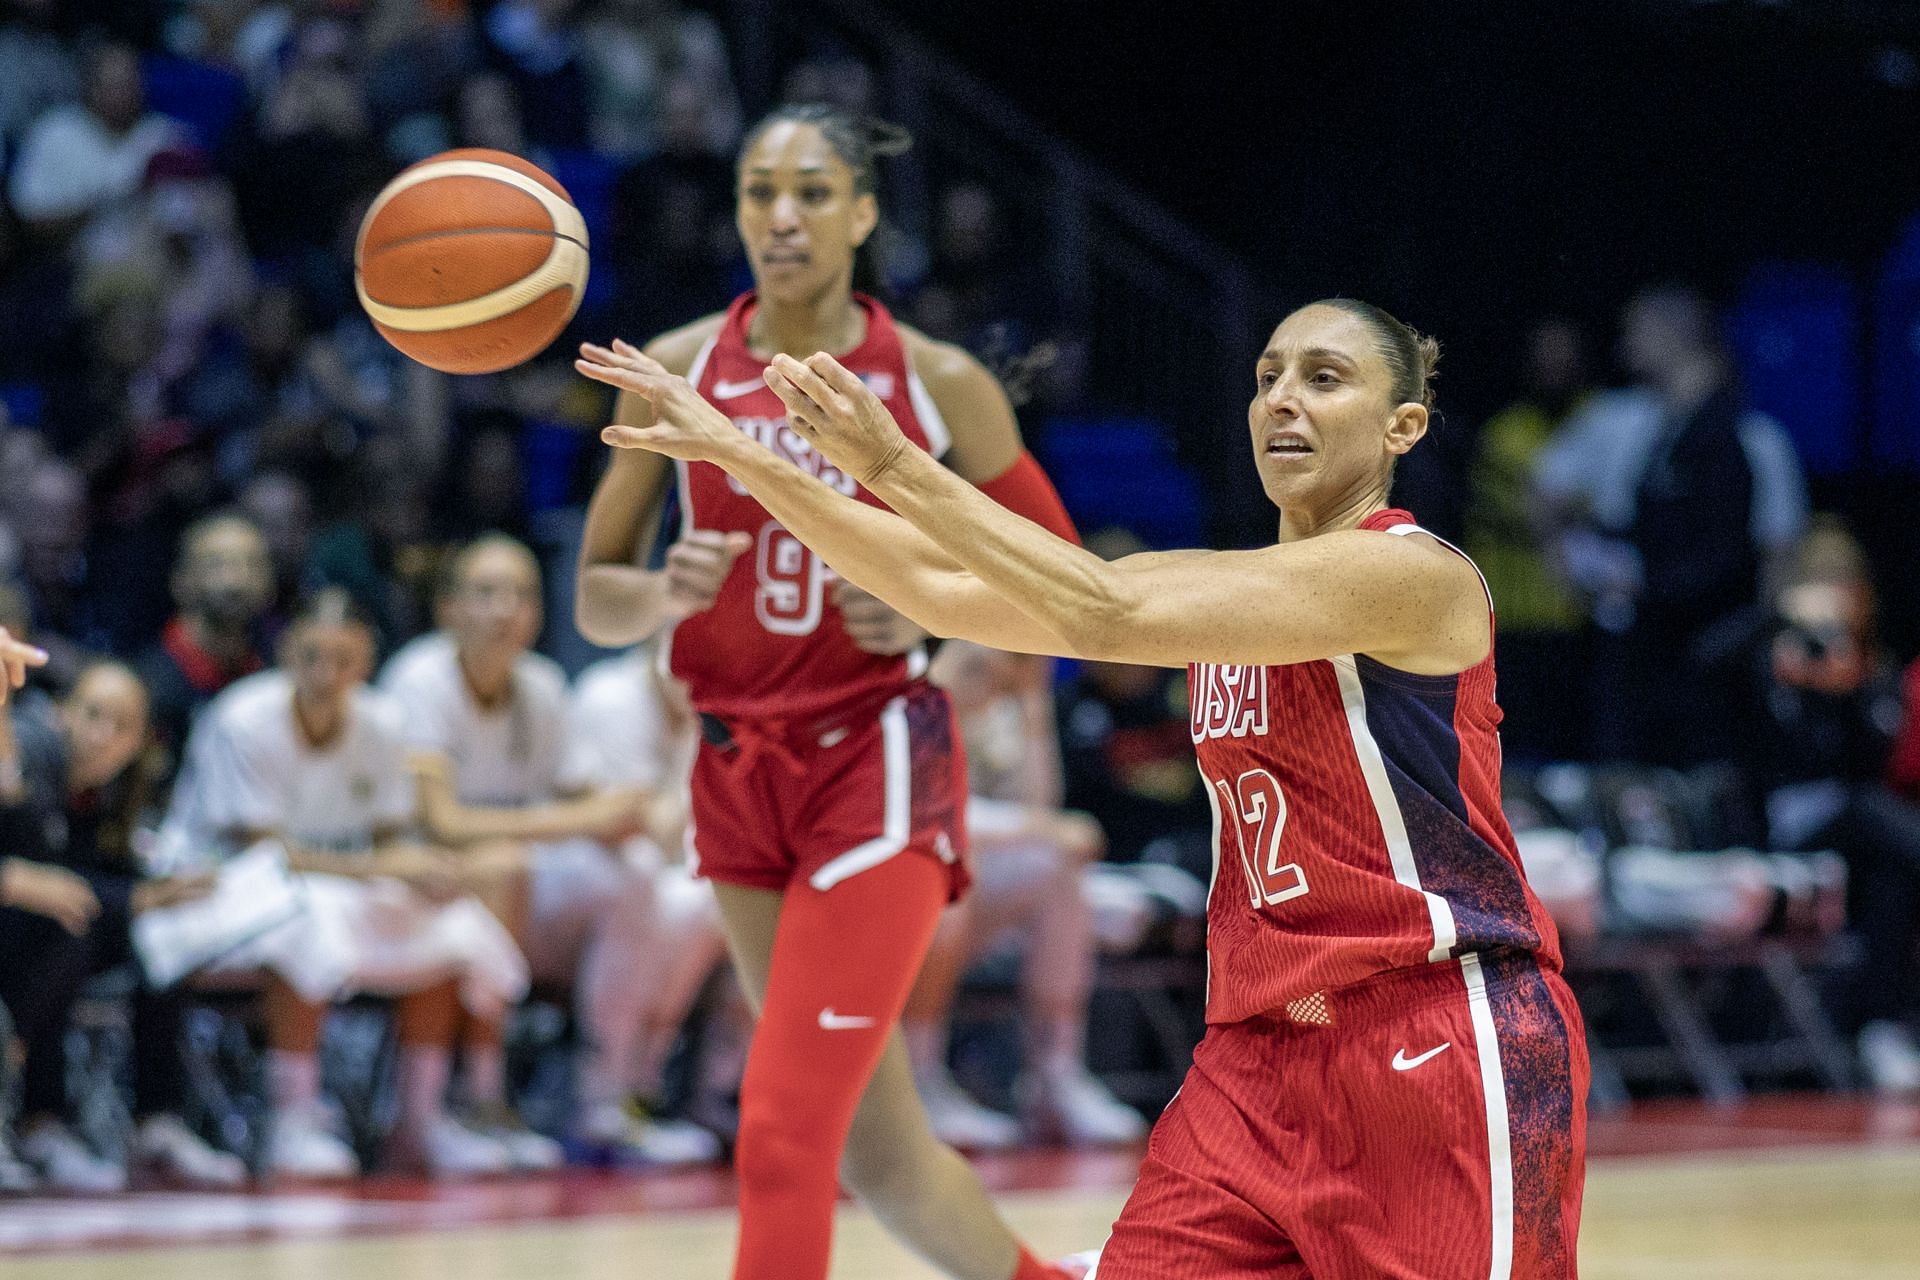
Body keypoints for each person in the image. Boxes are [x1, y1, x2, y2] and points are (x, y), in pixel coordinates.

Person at [577, 295, 1589, 1278]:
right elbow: (945, 593)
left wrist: (888, 463)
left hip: (1434, 1032)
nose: (1283, 398)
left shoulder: (1417, 573)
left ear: (1403, 424)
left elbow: (1100, 607)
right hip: (1257, 1057)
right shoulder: (1228, 592)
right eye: (1268, 376)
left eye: (1324, 378)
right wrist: (748, 462)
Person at [573, 104, 1086, 1280]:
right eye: (759, 192)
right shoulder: (677, 368)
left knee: (779, 1131)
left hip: (877, 763)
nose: (782, 217)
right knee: (876, 1147)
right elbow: (595, 598)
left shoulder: (940, 383)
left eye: (811, 191)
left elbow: (1068, 595)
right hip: (734, 768)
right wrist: (659, 593)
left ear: (863, 213)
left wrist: (931, 615)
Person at [154, 588, 529, 1179]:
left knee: (442, 921)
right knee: (305, 919)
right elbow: (261, 855)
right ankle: (293, 1121)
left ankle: (420, 1121)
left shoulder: (382, 721)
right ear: (285, 652)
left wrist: (427, 868)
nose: (326, 674)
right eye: (311, 656)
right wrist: (383, 869)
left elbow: (385, 839)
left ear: (366, 662)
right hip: (210, 894)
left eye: (343, 659)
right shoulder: (243, 716)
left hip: (331, 887)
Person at [379, 534, 710, 1165]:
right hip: (423, 885)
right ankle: (472, 1100)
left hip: (519, 884)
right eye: (485, 593)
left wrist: (607, 814)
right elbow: (442, 822)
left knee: (639, 874)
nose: (505, 610)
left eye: (521, 595)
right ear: (447, 608)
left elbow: (603, 805)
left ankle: (606, 1095)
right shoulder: (419, 679)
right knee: (504, 869)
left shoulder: (543, 685)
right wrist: (575, 819)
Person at [0, 662, 245, 1191]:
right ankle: (38, 1117)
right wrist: (137, 896)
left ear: (141, 741)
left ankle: (157, 1122)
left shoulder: (120, 790)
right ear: (62, 710)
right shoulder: (28, 752)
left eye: (122, 726)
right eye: (93, 715)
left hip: (54, 929)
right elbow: (44, 868)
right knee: (69, 931)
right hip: (18, 931)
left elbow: (89, 876)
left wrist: (156, 895)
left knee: (163, 941)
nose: (102, 737)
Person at [907, 640, 1145, 1150]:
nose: (1005, 663)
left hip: (966, 897)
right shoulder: (916, 690)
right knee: (950, 874)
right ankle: (919, 1078)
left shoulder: (1000, 703)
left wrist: (1033, 705)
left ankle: (1054, 1079)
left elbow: (1043, 810)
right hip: (894, 896)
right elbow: (922, 817)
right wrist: (1042, 829)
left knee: (1057, 871)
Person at [566, 640, 734, 1161]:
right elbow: (635, 828)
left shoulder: (711, 701)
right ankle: (601, 1092)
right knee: (647, 886)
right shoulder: (611, 697)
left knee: (729, 896)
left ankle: (710, 1091)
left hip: (651, 883)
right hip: (572, 880)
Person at [134, 513, 274, 776]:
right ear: (181, 581)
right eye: (216, 565)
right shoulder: (148, 683)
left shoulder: (276, 673)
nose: (236, 581)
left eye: (251, 565)